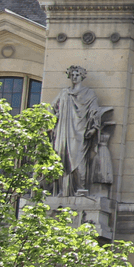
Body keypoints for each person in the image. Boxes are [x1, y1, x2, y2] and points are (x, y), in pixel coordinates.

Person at [51, 65, 103, 196]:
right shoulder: (64, 93)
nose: (74, 77)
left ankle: (81, 188)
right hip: (64, 131)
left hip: (80, 131)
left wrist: (93, 128)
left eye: (77, 75)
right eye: (72, 75)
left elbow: (95, 110)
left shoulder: (89, 93)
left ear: (82, 77)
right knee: (62, 159)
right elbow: (52, 109)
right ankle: (63, 190)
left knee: (79, 160)